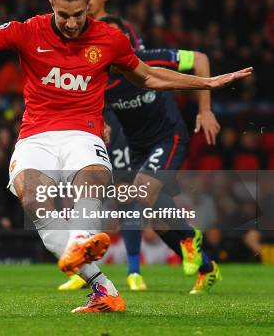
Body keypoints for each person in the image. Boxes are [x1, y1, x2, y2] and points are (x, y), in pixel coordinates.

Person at [0, 0, 251, 313]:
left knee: (92, 175)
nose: (71, 23)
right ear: (51, 5)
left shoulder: (110, 40)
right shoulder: (28, 30)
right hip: (36, 135)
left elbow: (148, 76)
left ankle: (83, 239)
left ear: (89, 5)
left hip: (83, 131)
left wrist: (205, 84)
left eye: (78, 14)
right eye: (63, 15)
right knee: (33, 197)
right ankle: (103, 289)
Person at [59, 15, 222, 295]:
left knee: (143, 192)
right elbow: (89, 107)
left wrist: (204, 109)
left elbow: (200, 59)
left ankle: (189, 238)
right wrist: (102, 124)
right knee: (158, 220)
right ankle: (207, 268)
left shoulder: (146, 60)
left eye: (117, 38)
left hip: (168, 136)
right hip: (138, 149)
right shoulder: (98, 76)